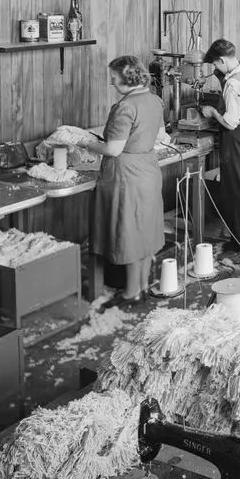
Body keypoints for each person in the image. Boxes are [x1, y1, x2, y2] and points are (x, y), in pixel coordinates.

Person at [88, 56, 165, 310]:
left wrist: (84, 142)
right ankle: (142, 286)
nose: (111, 83)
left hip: (127, 176)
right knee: (144, 234)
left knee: (130, 234)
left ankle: (131, 293)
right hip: (148, 170)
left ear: (124, 79)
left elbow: (112, 149)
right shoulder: (154, 100)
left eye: (113, 79)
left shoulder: (125, 107)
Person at [200, 39, 240, 254]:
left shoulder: (233, 84)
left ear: (223, 60)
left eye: (215, 65)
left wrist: (212, 112)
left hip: (233, 135)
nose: (214, 68)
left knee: (234, 190)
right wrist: (220, 77)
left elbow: (230, 122)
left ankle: (239, 242)